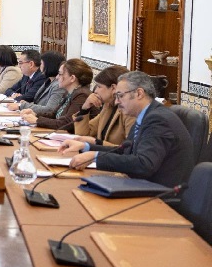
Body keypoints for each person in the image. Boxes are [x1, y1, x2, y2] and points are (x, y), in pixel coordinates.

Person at [65, 71, 193, 187]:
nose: (116, 102)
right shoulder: (146, 115)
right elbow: (125, 151)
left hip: (157, 193)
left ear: (139, 93)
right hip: (141, 184)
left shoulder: (158, 120)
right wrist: (86, 147)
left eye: (120, 96)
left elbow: (144, 164)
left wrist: (95, 157)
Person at [58, 65, 135, 151]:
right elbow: (83, 135)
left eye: (99, 86)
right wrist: (84, 109)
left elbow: (128, 150)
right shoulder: (107, 106)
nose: (95, 91)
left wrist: (97, 143)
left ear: (113, 88)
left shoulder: (130, 111)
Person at [21, 58, 95, 131]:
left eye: (60, 74)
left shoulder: (82, 95)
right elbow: (54, 114)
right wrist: (35, 114)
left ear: (72, 78)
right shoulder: (69, 92)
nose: (57, 77)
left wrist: (37, 120)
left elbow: (67, 123)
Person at [7, 51, 66, 115]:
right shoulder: (48, 81)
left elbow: (49, 109)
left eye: (41, 64)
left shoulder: (58, 85)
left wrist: (22, 105)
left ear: (49, 65)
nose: (40, 66)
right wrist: (26, 103)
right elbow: (37, 102)